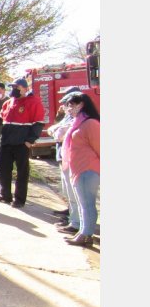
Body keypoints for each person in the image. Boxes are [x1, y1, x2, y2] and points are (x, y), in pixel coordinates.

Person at [0, 78, 45, 208]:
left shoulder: (34, 102)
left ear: (25, 88)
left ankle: (19, 199)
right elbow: (1, 119)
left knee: (22, 171)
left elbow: (38, 123)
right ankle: (5, 194)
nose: (14, 90)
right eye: (13, 87)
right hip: (6, 140)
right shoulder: (9, 102)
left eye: (17, 87)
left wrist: (30, 141)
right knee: (3, 168)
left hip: (21, 142)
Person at [59, 93, 100, 247]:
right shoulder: (78, 122)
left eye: (71, 105)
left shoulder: (90, 124)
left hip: (88, 170)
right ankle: (83, 232)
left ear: (81, 104)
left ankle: (86, 234)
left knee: (87, 204)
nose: (68, 109)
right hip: (79, 170)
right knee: (83, 204)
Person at [48, 88, 81, 231]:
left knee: (74, 191)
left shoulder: (80, 117)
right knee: (67, 189)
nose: (66, 107)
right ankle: (70, 215)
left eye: (68, 104)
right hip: (62, 155)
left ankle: (76, 222)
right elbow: (53, 128)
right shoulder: (67, 115)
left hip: (71, 157)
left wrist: (56, 130)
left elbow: (59, 133)